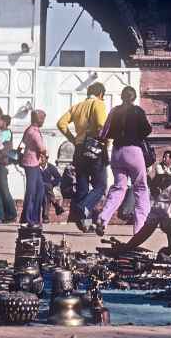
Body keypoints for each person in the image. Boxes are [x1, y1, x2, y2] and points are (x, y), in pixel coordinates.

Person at [96, 86, 152, 237]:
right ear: (134, 98)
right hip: (133, 152)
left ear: (121, 97)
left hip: (117, 152)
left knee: (119, 187)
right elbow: (147, 130)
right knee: (140, 188)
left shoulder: (114, 111)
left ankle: (103, 218)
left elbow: (104, 133)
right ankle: (139, 229)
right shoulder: (138, 111)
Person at [57, 82, 107, 232]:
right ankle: (83, 206)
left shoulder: (77, 106)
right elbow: (101, 124)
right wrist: (107, 143)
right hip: (95, 147)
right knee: (100, 186)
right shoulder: (98, 103)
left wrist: (73, 139)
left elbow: (61, 124)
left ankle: (85, 224)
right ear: (100, 94)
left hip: (79, 149)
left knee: (82, 187)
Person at [20, 109, 47, 227]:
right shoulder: (34, 132)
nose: (43, 121)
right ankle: (28, 218)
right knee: (31, 191)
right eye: (42, 119)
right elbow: (42, 148)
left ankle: (34, 217)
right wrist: (45, 155)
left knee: (40, 189)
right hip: (31, 163)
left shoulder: (29, 130)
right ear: (38, 119)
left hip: (32, 162)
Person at [0, 115, 17, 224]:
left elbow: (0, 147)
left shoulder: (6, 133)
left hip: (0, 164)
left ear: (5, 122)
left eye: (0, 120)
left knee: (4, 190)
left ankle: (11, 214)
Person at [40, 154, 65, 222]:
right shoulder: (36, 167)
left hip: (48, 188)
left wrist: (52, 184)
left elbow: (58, 178)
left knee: (46, 195)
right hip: (38, 187)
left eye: (43, 158)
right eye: (40, 158)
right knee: (46, 189)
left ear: (46, 159)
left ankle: (45, 216)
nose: (42, 159)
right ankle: (56, 205)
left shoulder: (51, 167)